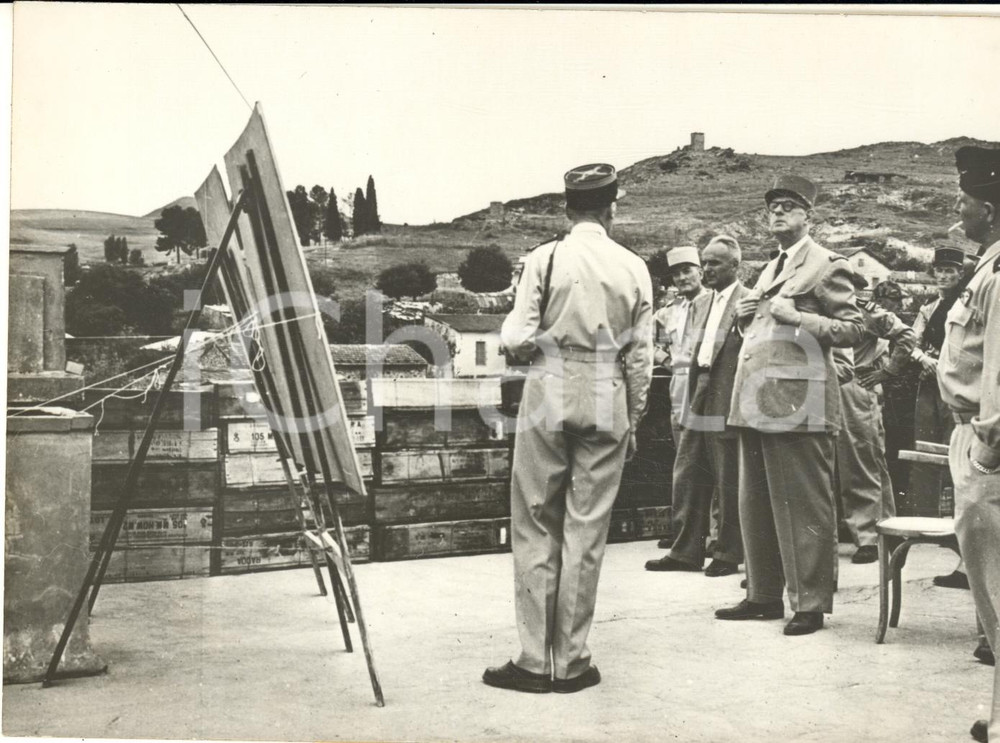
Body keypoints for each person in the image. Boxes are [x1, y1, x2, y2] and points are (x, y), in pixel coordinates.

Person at [486, 163, 653, 694]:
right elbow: (642, 355)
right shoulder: (634, 266)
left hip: (550, 383)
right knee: (588, 527)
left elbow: (515, 338)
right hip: (608, 393)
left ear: (566, 208)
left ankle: (534, 661)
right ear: (612, 208)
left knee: (535, 518)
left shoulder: (544, 258)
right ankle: (574, 660)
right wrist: (636, 414)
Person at [715, 174, 864, 636]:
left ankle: (810, 603)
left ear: (807, 216)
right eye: (772, 207)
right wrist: (743, 322)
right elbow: (765, 333)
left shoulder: (825, 264)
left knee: (803, 506)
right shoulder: (769, 267)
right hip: (758, 399)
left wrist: (798, 315)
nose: (777, 213)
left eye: (788, 206)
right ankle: (762, 595)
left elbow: (855, 328)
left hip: (800, 404)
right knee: (753, 502)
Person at [936, 146, 1000, 743]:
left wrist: (987, 451)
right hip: (975, 434)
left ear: (987, 205)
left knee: (997, 593)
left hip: (986, 443)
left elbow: (999, 375)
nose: (958, 209)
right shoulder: (988, 266)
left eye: (963, 200)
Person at [645, 235, 748, 577]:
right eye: (705, 263)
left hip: (726, 392)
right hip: (697, 388)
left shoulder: (748, 301)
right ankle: (685, 550)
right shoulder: (697, 306)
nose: (708, 269)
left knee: (726, 474)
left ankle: (728, 552)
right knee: (687, 471)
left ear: (736, 266)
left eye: (715, 263)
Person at [835, 273, 916, 564]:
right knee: (854, 461)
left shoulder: (865, 312)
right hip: (827, 386)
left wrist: (888, 372)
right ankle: (881, 528)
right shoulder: (822, 308)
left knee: (863, 460)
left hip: (856, 386)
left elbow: (907, 336)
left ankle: (870, 536)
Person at [910, 247, 969, 589]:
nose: (945, 276)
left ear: (960, 274)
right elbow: (910, 341)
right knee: (925, 453)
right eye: (940, 271)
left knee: (957, 455)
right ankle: (926, 523)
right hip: (930, 387)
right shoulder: (928, 308)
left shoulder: (966, 304)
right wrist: (922, 359)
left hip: (957, 390)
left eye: (951, 271)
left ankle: (959, 532)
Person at [652, 246, 707, 446]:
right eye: (676, 274)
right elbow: (648, 341)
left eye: (687, 271)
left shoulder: (716, 304)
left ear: (700, 272)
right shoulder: (669, 312)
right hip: (680, 387)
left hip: (708, 385)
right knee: (682, 448)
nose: (682, 278)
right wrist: (665, 359)